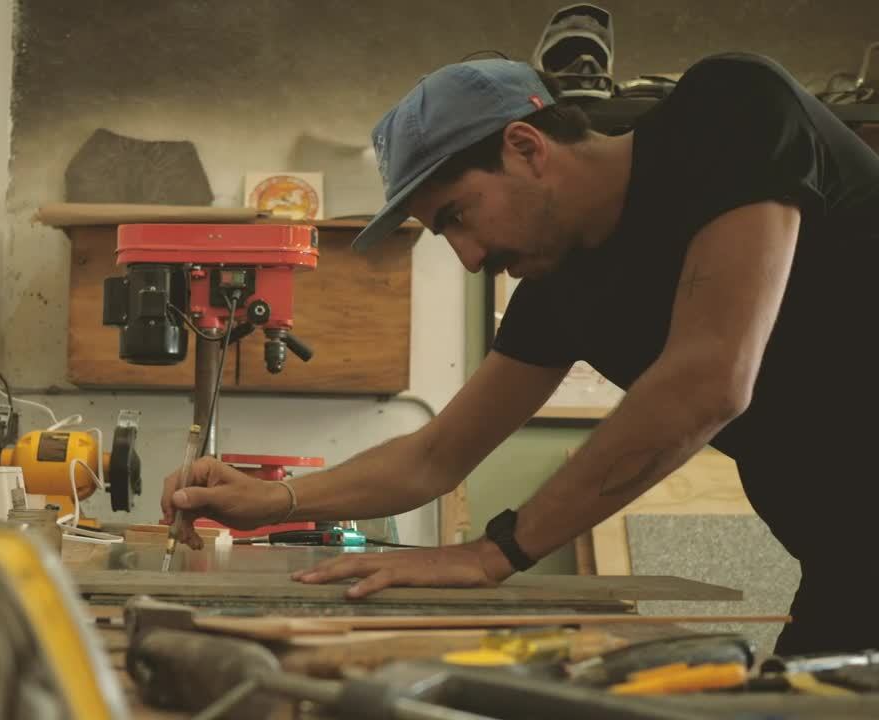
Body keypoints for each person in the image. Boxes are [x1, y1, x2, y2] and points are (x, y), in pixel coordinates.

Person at [161, 52, 879, 656]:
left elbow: (708, 382)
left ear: (527, 148)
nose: (470, 258)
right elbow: (435, 456)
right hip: (848, 562)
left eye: (457, 217)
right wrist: (270, 502)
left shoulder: (731, 111)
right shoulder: (562, 285)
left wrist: (493, 553)